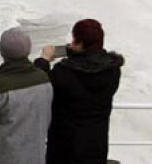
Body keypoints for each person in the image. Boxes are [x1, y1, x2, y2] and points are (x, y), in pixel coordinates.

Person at [34, 19, 124, 164]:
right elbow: (90, 63)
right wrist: (75, 51)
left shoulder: (64, 72)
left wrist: (43, 60)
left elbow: (38, 85)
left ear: (80, 42)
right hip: (96, 146)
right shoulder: (113, 70)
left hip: (64, 148)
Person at [0, 28, 52, 164]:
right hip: (35, 156)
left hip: (4, 158)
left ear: (2, 51)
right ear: (29, 49)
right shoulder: (44, 80)